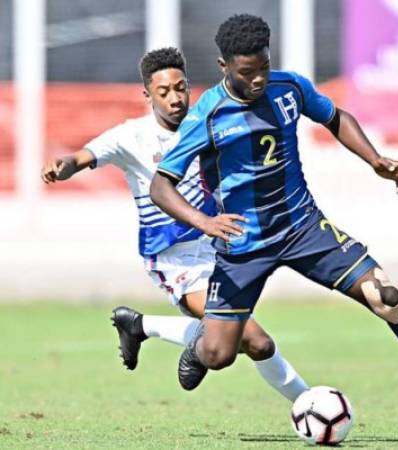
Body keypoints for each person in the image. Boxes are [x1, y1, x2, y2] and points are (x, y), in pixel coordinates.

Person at [150, 14, 398, 424]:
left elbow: (335, 116)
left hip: (304, 228)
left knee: (387, 297)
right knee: (219, 355)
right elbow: (160, 185)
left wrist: (375, 159)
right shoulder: (209, 116)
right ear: (225, 68)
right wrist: (204, 222)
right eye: (246, 73)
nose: (258, 80)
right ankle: (199, 344)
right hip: (243, 246)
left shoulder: (288, 87)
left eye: (263, 68)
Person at [40, 47, 309, 402]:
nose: (174, 98)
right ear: (147, 95)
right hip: (174, 259)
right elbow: (82, 157)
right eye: (163, 92)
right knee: (255, 341)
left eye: (180, 88)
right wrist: (64, 165)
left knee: (246, 343)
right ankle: (310, 402)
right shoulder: (131, 137)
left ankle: (138, 326)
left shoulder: (211, 121)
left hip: (222, 251)